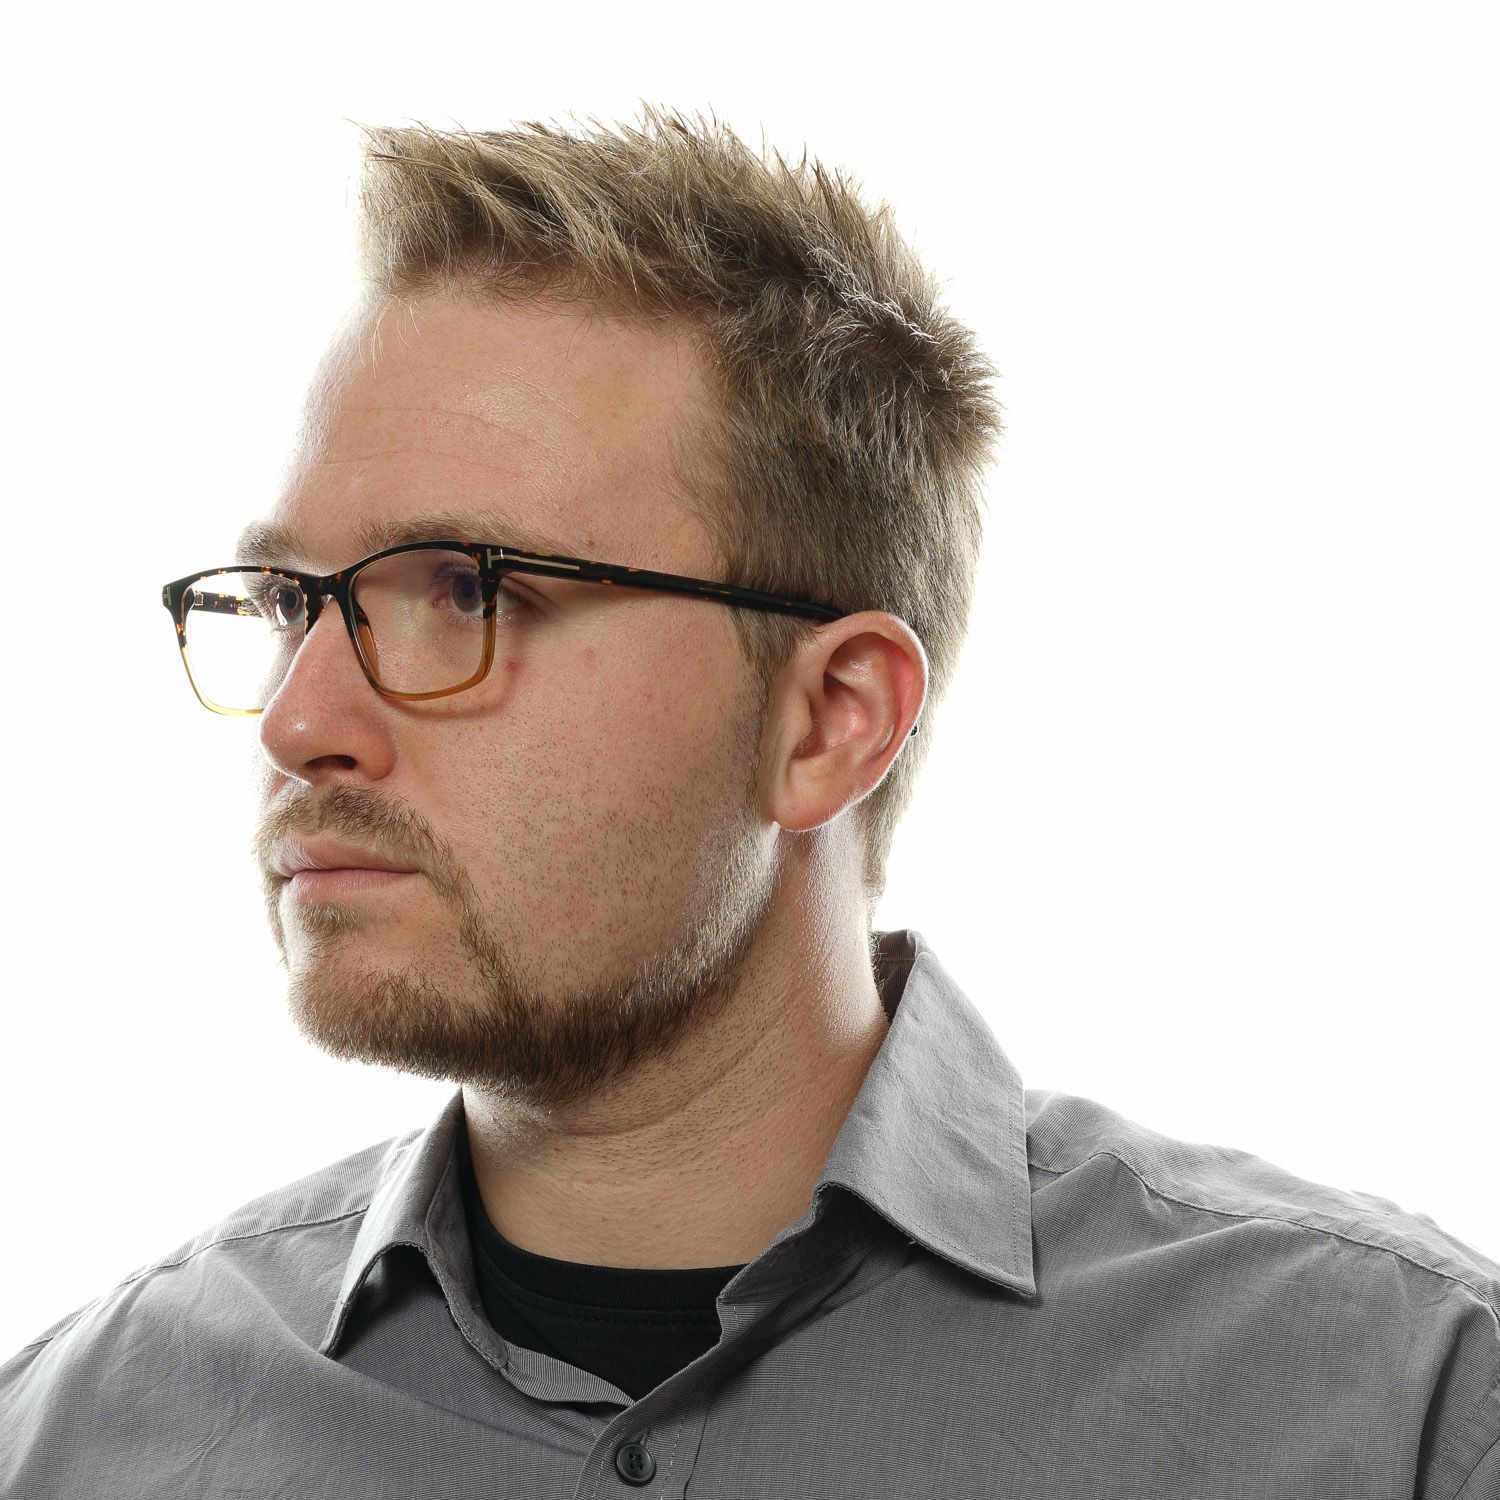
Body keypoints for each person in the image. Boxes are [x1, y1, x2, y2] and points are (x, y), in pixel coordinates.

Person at [3, 108, 1496, 1499]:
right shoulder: (69, 1440)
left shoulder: (1403, 1409)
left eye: (464, 587)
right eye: (290, 601)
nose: (298, 721)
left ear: (831, 720)